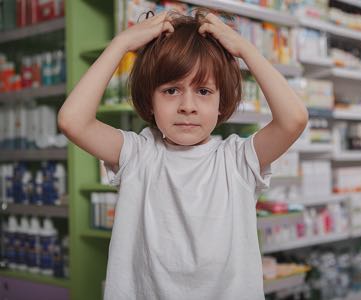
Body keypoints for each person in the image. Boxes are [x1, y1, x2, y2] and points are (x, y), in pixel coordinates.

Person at [58, 9, 308, 300]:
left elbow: (294, 119)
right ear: (149, 100)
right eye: (171, 90)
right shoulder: (139, 155)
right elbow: (72, 120)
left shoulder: (238, 160)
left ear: (221, 102)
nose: (187, 106)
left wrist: (245, 49)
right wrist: (122, 44)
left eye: (203, 91)